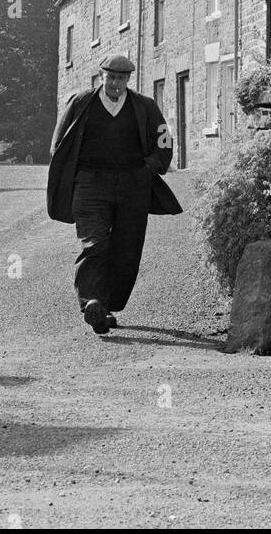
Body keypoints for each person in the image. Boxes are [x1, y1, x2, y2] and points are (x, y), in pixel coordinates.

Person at [47, 53, 181, 335]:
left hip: (133, 184)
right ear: (101, 75)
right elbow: (59, 144)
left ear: (128, 80)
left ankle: (105, 307)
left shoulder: (144, 107)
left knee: (126, 249)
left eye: (121, 79)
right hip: (90, 183)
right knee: (93, 243)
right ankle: (91, 301)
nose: (115, 84)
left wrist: (148, 168)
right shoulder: (82, 103)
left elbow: (165, 142)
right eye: (111, 77)